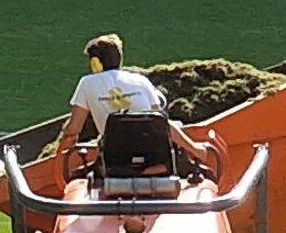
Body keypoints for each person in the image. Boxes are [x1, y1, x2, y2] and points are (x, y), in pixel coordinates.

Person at [46, 33, 215, 177]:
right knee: (166, 125)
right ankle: (163, 167)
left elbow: (74, 129)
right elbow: (161, 123)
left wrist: (63, 144)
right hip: (154, 154)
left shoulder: (87, 83)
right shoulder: (141, 80)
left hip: (115, 157)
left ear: (95, 63)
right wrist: (195, 148)